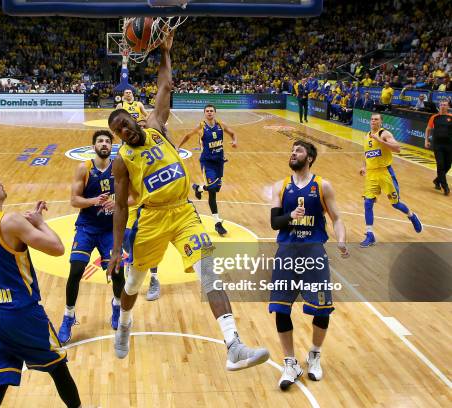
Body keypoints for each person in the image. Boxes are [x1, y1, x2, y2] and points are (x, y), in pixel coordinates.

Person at [107, 31, 269, 370]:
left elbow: (165, 88)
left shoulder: (155, 126)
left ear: (134, 118)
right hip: (150, 219)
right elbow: (121, 206)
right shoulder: (121, 160)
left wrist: (165, 54)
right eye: (119, 130)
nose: (126, 130)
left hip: (183, 214)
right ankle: (124, 324)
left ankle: (234, 345)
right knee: (134, 283)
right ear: (117, 136)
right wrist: (115, 249)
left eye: (126, 123)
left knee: (209, 271)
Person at [0, 170, 81, 408]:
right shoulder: (10, 220)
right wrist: (40, 223)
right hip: (21, 313)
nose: (1, 182)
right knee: (58, 366)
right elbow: (57, 248)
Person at [270, 140, 349, 390]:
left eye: (299, 151)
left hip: (314, 253)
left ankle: (314, 354)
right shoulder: (280, 187)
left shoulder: (322, 185)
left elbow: (337, 218)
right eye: (292, 150)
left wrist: (342, 240)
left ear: (310, 158)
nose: (293, 153)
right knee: (281, 309)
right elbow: (275, 222)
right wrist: (290, 217)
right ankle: (290, 362)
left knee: (322, 309)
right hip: (286, 253)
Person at [57, 130, 125, 344]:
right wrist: (95, 200)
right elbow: (75, 200)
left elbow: (133, 195)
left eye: (107, 141)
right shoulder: (84, 168)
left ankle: (116, 305)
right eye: (100, 141)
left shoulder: (119, 167)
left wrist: (119, 203)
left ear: (111, 146)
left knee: (117, 273)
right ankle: (68, 316)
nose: (104, 144)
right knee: (76, 270)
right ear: (93, 146)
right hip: (87, 227)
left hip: (109, 229)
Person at [360, 113, 422, 247]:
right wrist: (364, 166)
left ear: (381, 122)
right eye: (371, 119)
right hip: (371, 174)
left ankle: (411, 215)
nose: (373, 121)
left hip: (385, 173)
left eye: (376, 119)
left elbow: (398, 149)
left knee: (395, 204)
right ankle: (370, 235)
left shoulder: (384, 134)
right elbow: (366, 153)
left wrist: (380, 140)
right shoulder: (366, 135)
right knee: (367, 203)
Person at [177, 104, 238, 236]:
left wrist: (234, 141)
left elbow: (233, 133)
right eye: (207, 111)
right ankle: (217, 223)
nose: (209, 113)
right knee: (212, 189)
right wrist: (178, 146)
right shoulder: (201, 126)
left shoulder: (221, 124)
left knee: (215, 189)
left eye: (211, 111)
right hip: (207, 162)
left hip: (219, 162)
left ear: (215, 113)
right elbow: (188, 135)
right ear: (204, 113)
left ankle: (198, 188)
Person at [425, 99, 452, 195]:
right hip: (438, 145)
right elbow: (428, 129)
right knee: (440, 165)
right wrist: (426, 140)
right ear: (439, 106)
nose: (442, 106)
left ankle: (437, 180)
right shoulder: (434, 117)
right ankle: (445, 187)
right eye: (441, 104)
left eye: (445, 105)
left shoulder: (451, 117)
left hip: (449, 145)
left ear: (448, 107)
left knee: (448, 165)